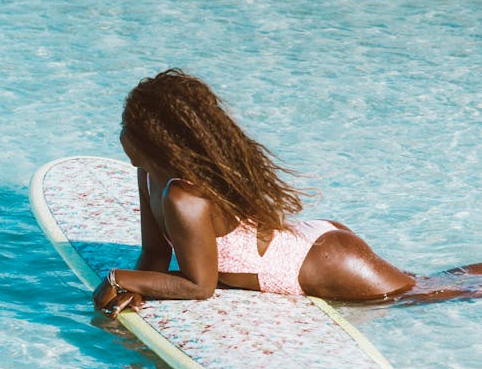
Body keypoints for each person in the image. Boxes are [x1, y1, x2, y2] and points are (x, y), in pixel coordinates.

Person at [93, 69, 481, 318]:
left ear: (155, 141)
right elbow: (156, 255)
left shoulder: (184, 197)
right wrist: (138, 287)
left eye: (128, 125)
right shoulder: (150, 175)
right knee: (432, 283)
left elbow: (200, 286)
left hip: (322, 263)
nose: (121, 133)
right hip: (304, 247)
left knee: (426, 294)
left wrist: (117, 278)